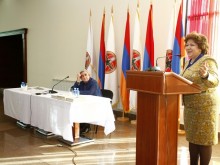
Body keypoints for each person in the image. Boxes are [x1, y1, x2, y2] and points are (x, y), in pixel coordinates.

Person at [181, 32, 219, 165]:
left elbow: (215, 80)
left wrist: (206, 75)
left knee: (204, 140)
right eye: (187, 45)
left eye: (192, 45)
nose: (188, 47)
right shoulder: (188, 62)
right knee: (193, 139)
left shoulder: (208, 60)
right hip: (191, 108)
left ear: (200, 47)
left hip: (205, 109)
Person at [71, 69, 102, 135]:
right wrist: (77, 80)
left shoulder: (94, 83)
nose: (84, 77)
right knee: (76, 107)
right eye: (82, 76)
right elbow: (74, 89)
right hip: (85, 101)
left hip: (95, 103)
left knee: (83, 108)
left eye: (85, 75)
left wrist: (78, 92)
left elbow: (90, 92)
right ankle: (78, 125)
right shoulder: (82, 83)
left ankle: (85, 127)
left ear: (89, 75)